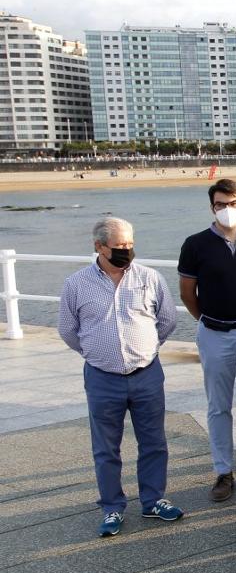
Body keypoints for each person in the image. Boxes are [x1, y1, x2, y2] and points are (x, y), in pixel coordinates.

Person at [58, 218, 182, 537]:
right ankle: (112, 507)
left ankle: (153, 500)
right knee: (105, 448)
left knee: (154, 441)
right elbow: (68, 330)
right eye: (119, 246)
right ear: (99, 247)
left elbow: (167, 320)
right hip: (102, 378)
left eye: (130, 244)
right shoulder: (76, 284)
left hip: (147, 374)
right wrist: (96, 353)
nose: (127, 251)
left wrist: (147, 348)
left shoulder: (150, 278)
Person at [178, 178, 236, 502]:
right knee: (218, 406)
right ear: (212, 207)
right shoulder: (195, 244)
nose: (227, 210)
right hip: (215, 333)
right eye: (220, 204)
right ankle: (223, 471)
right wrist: (208, 320)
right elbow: (187, 294)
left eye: (232, 204)